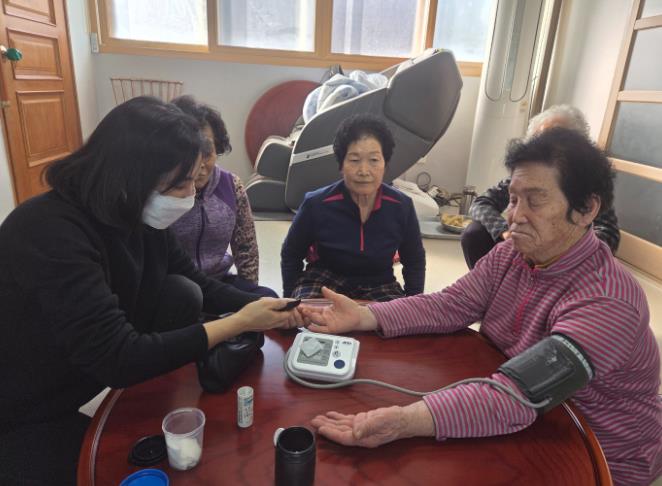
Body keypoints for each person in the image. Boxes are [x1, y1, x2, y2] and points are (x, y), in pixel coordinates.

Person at [302, 128, 661, 486]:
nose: (515, 216)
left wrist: (402, 421)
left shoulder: (608, 302)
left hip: (596, 453)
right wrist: (365, 315)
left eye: (534, 201)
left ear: (586, 209)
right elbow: (451, 304)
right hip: (531, 422)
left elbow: (518, 396)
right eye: (513, 199)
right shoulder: (512, 254)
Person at [0, 96, 300, 485]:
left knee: (182, 291)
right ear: (132, 176)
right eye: (180, 184)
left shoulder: (133, 212)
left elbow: (199, 282)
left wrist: (270, 306)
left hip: (74, 377)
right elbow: (118, 357)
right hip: (19, 408)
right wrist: (239, 322)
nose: (190, 194)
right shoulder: (49, 232)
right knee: (102, 471)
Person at [280, 114, 426, 302]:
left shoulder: (402, 206)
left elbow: (414, 260)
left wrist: (413, 304)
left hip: (379, 283)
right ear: (341, 165)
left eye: (374, 160)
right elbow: (291, 254)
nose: (364, 171)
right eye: (354, 160)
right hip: (324, 280)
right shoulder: (316, 204)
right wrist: (290, 301)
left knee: (397, 319)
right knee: (309, 315)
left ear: (385, 164)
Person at [462, 105, 620, 269]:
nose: (517, 216)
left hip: (565, 263)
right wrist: (503, 231)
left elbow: (609, 234)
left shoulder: (588, 185)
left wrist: (565, 246)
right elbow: (481, 203)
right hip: (519, 250)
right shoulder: (525, 177)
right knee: (475, 232)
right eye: (539, 142)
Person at [169, 95, 277, 298]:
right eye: (190, 152)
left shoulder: (232, 186)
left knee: (268, 298)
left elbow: (246, 248)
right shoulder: (163, 191)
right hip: (176, 289)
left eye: (207, 153)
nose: (200, 165)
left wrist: (249, 297)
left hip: (217, 282)